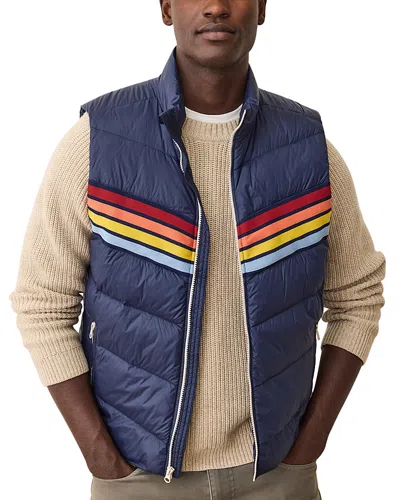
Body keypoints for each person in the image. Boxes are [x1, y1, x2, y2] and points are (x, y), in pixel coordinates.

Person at [9, 1, 386, 499]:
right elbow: (42, 304)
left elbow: (358, 297)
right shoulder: (101, 139)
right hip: (140, 479)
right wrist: (103, 458)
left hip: (276, 476)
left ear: (262, 9)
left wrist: (309, 444)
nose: (216, 7)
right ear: (166, 8)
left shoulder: (307, 148)